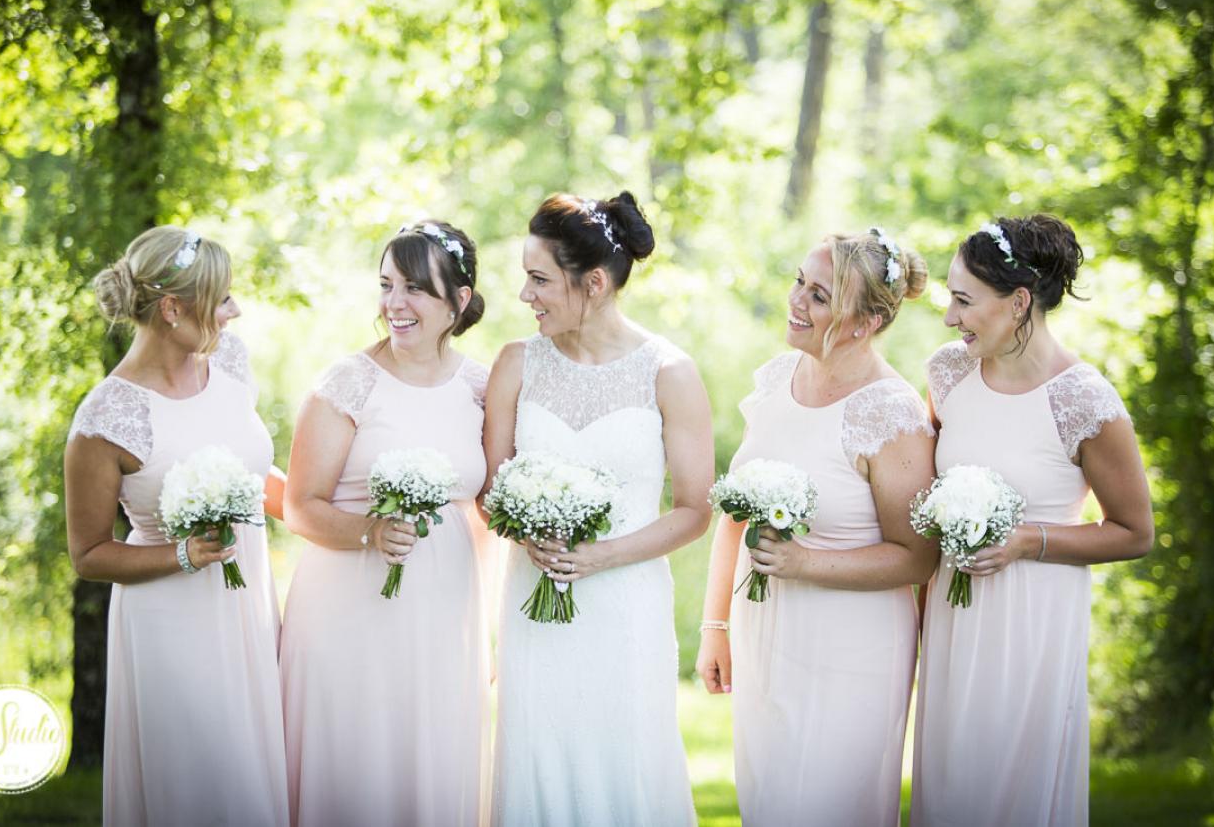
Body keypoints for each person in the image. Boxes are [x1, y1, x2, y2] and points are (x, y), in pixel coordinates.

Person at [911, 214, 1154, 827]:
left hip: (1034, 622)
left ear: (1018, 303)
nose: (949, 317)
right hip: (954, 614)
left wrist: (1028, 541)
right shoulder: (948, 372)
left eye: (963, 301)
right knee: (951, 779)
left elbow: (1133, 532)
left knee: (1014, 786)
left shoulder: (1084, 399)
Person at [483, 192, 713, 827]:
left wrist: (601, 556)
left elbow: (695, 508)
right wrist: (524, 534)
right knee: (539, 755)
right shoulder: (515, 364)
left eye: (538, 279)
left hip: (625, 607)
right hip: (535, 608)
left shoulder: (668, 372)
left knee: (627, 758)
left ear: (595, 283)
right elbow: (490, 490)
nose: (525, 296)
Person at [696, 228, 938, 826]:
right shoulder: (776, 380)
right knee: (768, 803)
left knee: (826, 807)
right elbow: (735, 514)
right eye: (800, 283)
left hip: (852, 648)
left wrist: (806, 564)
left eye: (820, 295)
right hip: (765, 633)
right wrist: (715, 626)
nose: (797, 301)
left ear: (864, 323)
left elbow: (917, 557)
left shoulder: (891, 411)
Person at [65, 225, 287, 827]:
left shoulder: (230, 360)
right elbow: (88, 553)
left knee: (255, 777)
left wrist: (323, 514)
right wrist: (184, 554)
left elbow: (252, 468)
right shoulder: (105, 419)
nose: (234, 311)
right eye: (222, 299)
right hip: (171, 625)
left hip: (247, 608)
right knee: (203, 782)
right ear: (172, 308)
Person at [280, 221, 491, 826]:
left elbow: (482, 507)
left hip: (445, 606)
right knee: (354, 765)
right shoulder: (349, 382)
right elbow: (301, 505)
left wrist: (489, 620)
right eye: (386, 285)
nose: (394, 305)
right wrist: (370, 532)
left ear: (460, 299)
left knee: (433, 759)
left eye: (415, 289)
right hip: (348, 605)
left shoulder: (481, 387)